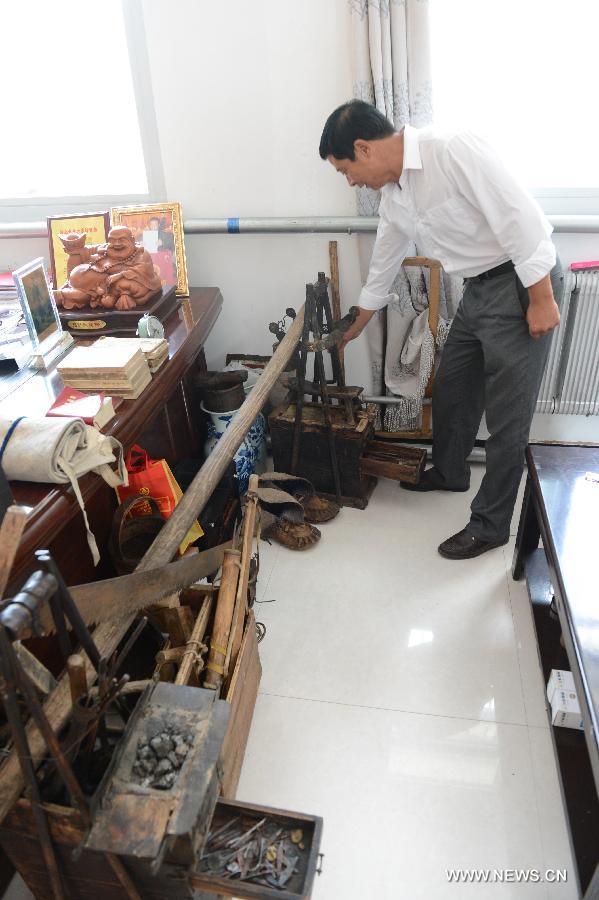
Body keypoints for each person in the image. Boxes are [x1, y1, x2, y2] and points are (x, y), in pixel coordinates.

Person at [319, 100, 563, 560]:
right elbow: (384, 265)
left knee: (507, 419)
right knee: (453, 386)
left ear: (363, 149)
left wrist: (542, 298)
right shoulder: (394, 196)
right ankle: (451, 472)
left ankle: (491, 525)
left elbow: (521, 219)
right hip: (478, 290)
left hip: (520, 284)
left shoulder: (450, 151)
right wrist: (356, 324)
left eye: (344, 170)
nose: (350, 181)